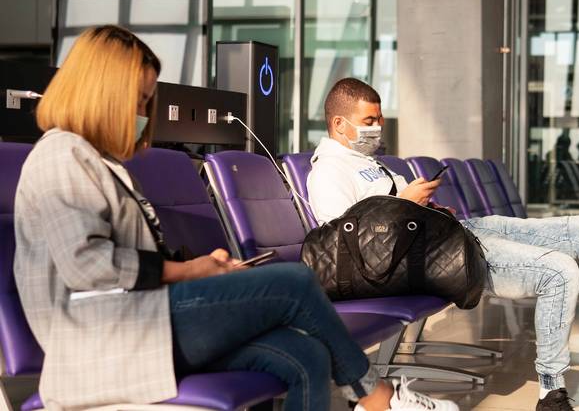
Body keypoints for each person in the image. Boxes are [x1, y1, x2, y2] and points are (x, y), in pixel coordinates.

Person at [13, 26, 457, 411]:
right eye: (138, 100)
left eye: (147, 102)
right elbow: (88, 266)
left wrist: (205, 271)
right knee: (295, 282)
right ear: (99, 92)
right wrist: (188, 271)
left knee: (307, 356)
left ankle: (371, 394)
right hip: (101, 341)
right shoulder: (60, 156)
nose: (144, 114)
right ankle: (375, 396)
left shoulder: (94, 159)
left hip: (136, 324)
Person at [306, 78, 579, 411]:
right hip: (432, 262)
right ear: (339, 123)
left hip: (449, 235)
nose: (376, 128)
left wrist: (427, 206)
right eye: (368, 121)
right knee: (559, 270)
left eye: (379, 120)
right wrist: (403, 202)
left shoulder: (367, 163)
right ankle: (551, 392)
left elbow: (391, 218)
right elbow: (350, 253)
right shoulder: (327, 172)